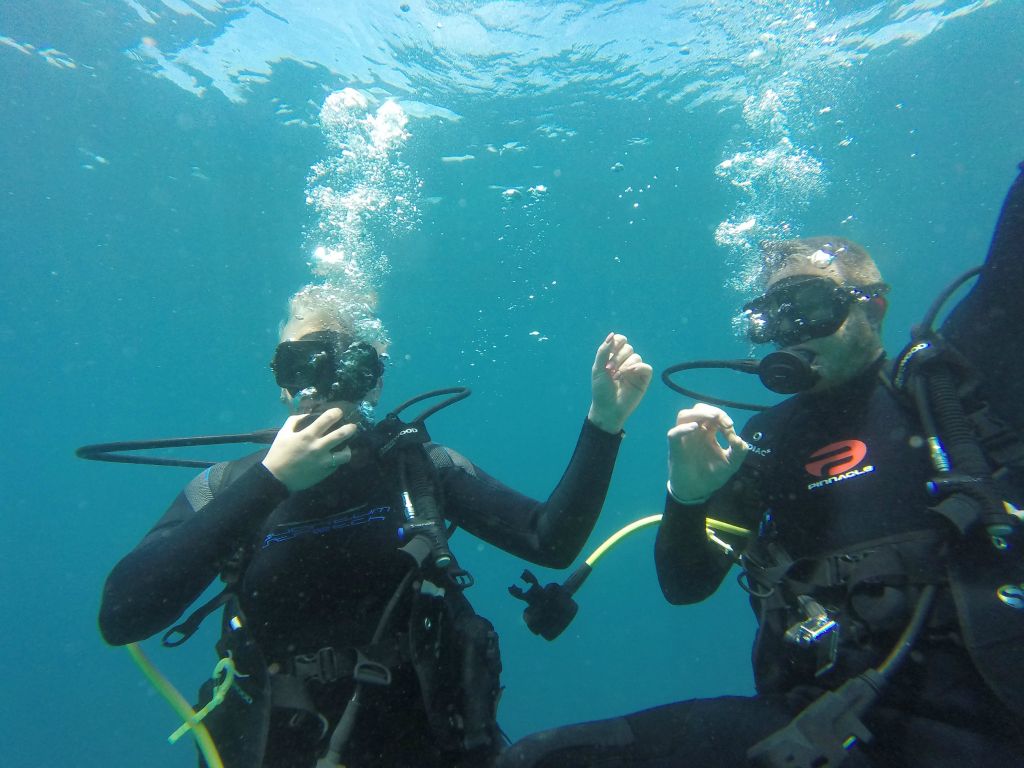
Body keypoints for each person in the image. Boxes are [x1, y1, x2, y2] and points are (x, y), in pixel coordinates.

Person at [496, 163, 1024, 768]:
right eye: (774, 317)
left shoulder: (949, 389)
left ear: (872, 306)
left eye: (809, 308)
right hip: (815, 725)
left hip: (988, 721)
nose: (789, 333)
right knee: (541, 759)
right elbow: (686, 586)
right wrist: (687, 495)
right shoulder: (768, 439)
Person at [98, 282, 652, 768]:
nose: (317, 385)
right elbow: (122, 616)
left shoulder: (415, 467)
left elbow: (548, 540)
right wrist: (270, 481)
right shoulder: (229, 487)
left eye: (342, 365)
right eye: (297, 363)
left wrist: (604, 424)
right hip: (272, 748)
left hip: (427, 744)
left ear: (371, 380)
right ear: (281, 379)